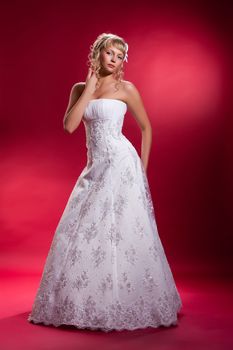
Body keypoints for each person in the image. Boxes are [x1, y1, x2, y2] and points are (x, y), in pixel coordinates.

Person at [28, 32, 182, 332]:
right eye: (110, 53)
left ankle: (124, 299)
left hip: (122, 164)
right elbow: (70, 126)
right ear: (97, 53)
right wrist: (89, 88)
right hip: (95, 166)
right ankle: (84, 301)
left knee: (122, 230)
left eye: (120, 55)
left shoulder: (127, 89)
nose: (115, 59)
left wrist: (142, 169)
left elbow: (147, 128)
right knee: (82, 228)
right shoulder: (79, 89)